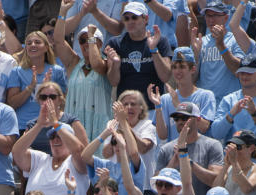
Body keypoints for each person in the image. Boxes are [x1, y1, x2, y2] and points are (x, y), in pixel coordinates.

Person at [211, 56, 256, 171]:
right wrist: (231, 115)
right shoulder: (228, 100)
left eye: (249, 73)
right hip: (232, 173)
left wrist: (255, 113)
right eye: (242, 73)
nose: (244, 76)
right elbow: (216, 133)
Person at [105, 2, 172, 113]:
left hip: (154, 108)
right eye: (126, 19)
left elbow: (165, 77)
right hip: (126, 110)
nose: (130, 21)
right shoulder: (115, 43)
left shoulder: (160, 41)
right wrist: (116, 64)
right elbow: (113, 82)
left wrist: (153, 50)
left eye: (134, 17)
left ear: (146, 19)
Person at [54, 12, 111, 141]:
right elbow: (58, 40)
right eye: (82, 40)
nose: (86, 43)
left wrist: (91, 35)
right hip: (75, 122)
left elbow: (96, 64)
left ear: (100, 44)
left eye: (91, 40)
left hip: (99, 124)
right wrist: (62, 12)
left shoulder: (107, 63)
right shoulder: (73, 63)